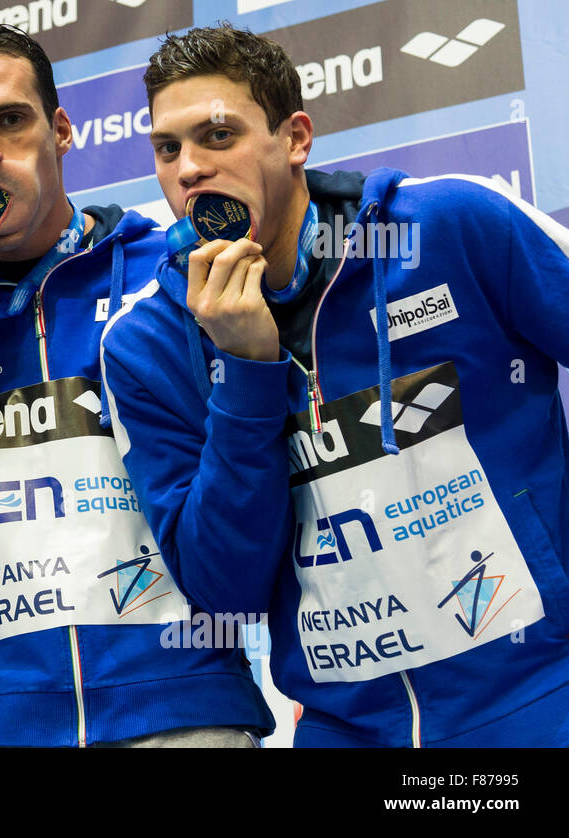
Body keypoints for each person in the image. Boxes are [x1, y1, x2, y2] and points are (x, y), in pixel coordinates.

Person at [102, 22, 569, 746]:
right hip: (343, 727)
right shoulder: (147, 343)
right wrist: (248, 373)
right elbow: (226, 591)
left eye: (217, 137)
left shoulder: (445, 225)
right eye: (168, 149)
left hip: (538, 693)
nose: (189, 168)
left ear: (294, 138)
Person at [0, 23, 274, 747]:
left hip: (183, 709)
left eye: (9, 120)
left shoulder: (167, 274)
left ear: (61, 130)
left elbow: (246, 484)